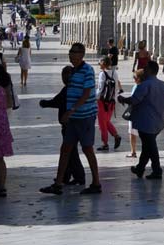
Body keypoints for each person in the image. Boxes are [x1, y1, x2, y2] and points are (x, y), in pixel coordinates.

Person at [42, 43, 101, 195]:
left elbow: (86, 93)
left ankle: (96, 183)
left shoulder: (87, 70)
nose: (70, 55)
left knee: (87, 149)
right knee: (65, 149)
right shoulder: (73, 71)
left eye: (74, 52)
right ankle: (58, 183)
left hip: (85, 116)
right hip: (73, 118)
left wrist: (70, 110)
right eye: (70, 52)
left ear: (81, 54)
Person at [121, 62, 164, 179]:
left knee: (151, 146)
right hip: (159, 120)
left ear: (150, 70)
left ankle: (157, 170)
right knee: (147, 146)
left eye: (145, 68)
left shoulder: (145, 85)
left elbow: (134, 100)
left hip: (146, 121)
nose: (144, 70)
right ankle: (140, 168)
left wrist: (122, 99)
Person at [96, 56, 124, 153]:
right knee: (106, 121)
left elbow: (100, 89)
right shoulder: (114, 72)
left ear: (103, 63)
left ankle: (105, 144)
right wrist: (114, 98)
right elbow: (116, 87)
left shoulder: (102, 74)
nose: (99, 64)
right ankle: (116, 136)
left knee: (102, 123)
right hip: (112, 102)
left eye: (100, 62)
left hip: (102, 101)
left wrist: (95, 98)